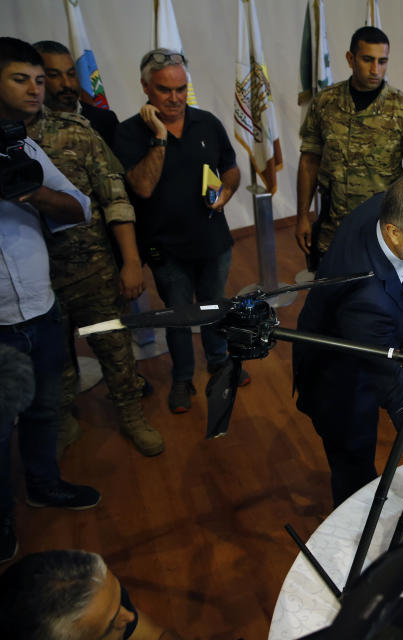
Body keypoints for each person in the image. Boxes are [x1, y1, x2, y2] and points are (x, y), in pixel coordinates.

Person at [23, 48, 161, 458]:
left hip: (91, 268)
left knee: (113, 347)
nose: (66, 84)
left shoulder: (78, 132)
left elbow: (115, 199)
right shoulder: (9, 141)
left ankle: (131, 414)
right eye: (52, 76)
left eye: (70, 75)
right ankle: (64, 416)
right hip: (31, 278)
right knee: (52, 356)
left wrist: (132, 261)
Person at [292, 173, 403, 506]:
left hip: (357, 331)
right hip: (340, 383)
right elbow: (398, 396)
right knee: (354, 468)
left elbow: (399, 274)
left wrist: (401, 314)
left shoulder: (385, 206)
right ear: (394, 233)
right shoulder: (368, 303)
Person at [0, 37, 99, 563]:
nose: (37, 90)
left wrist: (28, 189)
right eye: (22, 79)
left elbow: (77, 207)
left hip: (38, 306)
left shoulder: (23, 146)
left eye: (40, 80)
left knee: (43, 409)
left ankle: (43, 483)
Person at [113, 48, 245, 415]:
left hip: (213, 241)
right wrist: (158, 136)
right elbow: (141, 187)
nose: (174, 98)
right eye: (164, 90)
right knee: (178, 315)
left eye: (181, 88)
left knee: (215, 305)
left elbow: (231, 168)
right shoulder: (128, 133)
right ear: (145, 88)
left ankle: (219, 361)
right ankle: (183, 377)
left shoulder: (207, 122)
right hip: (165, 247)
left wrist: (227, 190)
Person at [295, 26, 403, 265]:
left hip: (382, 232)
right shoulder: (326, 102)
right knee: (333, 297)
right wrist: (302, 216)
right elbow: (309, 160)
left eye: (382, 61)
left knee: (380, 300)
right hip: (332, 230)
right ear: (350, 58)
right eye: (368, 60)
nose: (375, 69)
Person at [0, 549, 182, 639]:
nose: (130, 616)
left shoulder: (103, 600)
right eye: (112, 624)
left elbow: (153, 636)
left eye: (120, 601)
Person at [32, 40, 121, 149]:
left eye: (71, 74)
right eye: (54, 75)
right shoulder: (27, 122)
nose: (67, 84)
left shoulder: (105, 119)